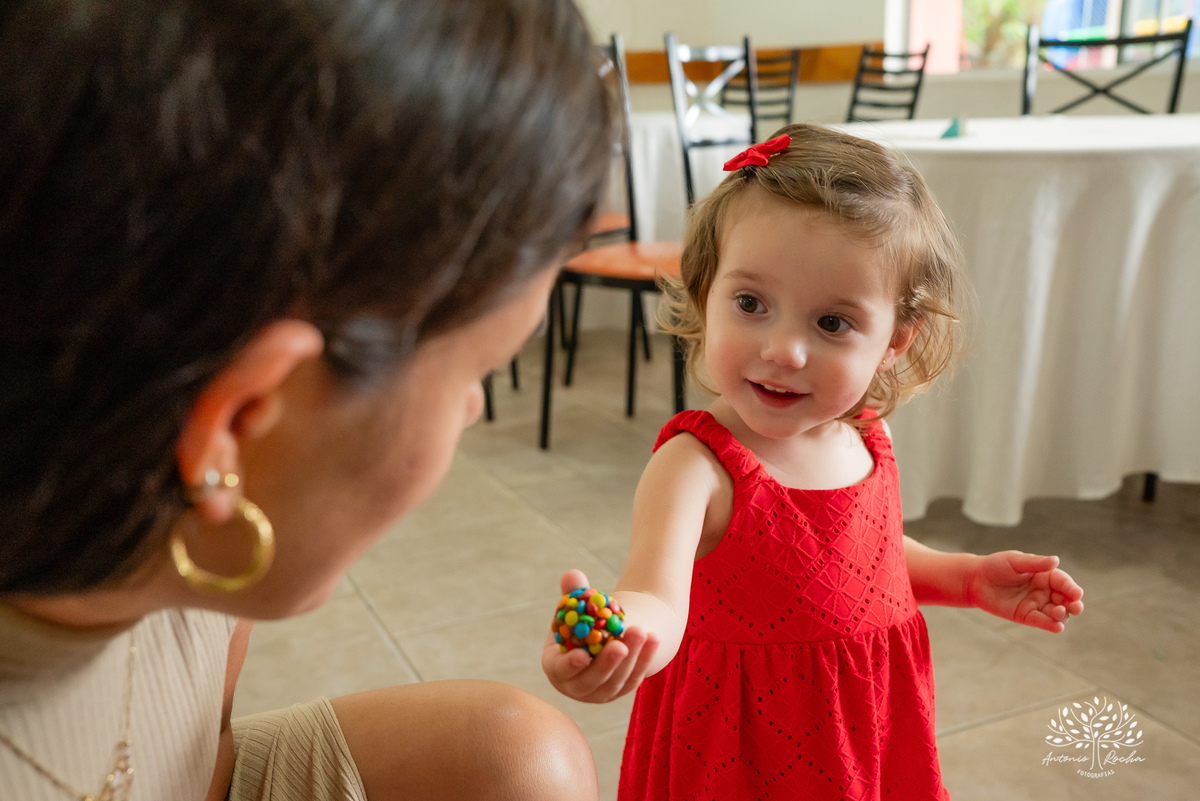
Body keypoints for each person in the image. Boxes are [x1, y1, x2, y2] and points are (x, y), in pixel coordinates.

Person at [0, 0, 612, 799]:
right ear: (242, 420)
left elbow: (208, 756)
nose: (470, 411)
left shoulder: (187, 540)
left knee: (521, 759)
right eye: (477, 374)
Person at [542, 124, 1086, 799]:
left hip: (862, 729)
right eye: (751, 304)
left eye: (832, 323)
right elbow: (657, 594)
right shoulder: (696, 468)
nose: (784, 351)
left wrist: (968, 578)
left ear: (894, 341)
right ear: (705, 294)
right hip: (740, 750)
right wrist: (624, 633)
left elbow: (867, 560)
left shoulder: (867, 437)